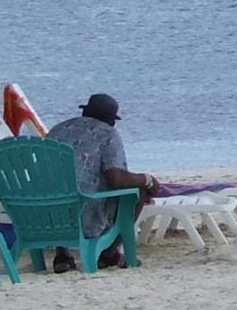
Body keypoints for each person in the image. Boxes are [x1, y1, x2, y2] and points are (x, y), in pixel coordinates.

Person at [43, 93, 158, 272]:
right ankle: (109, 253)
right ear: (111, 120)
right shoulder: (107, 134)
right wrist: (147, 180)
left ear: (85, 112)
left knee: (63, 187)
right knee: (139, 191)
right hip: (85, 215)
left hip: (47, 215)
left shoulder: (58, 130)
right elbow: (116, 179)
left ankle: (62, 255)